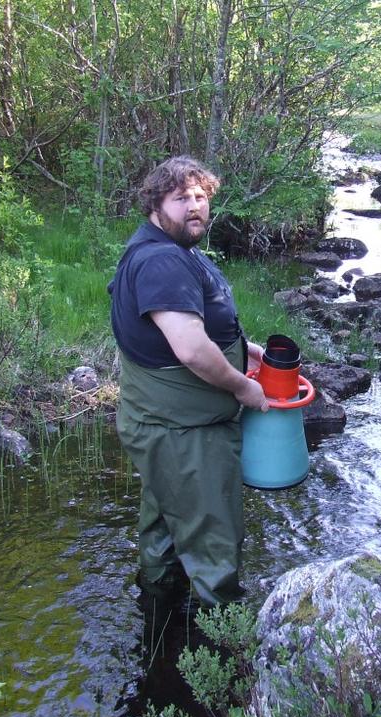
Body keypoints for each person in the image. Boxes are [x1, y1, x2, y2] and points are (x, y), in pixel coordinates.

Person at [108, 156, 267, 607]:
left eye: (200, 197)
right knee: (214, 541)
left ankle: (159, 625)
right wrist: (242, 386)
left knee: (164, 530)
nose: (194, 207)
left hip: (161, 424)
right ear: (155, 204)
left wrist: (243, 345)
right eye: (181, 199)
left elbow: (195, 320)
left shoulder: (171, 249)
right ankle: (220, 650)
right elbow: (192, 349)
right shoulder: (163, 261)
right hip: (183, 431)